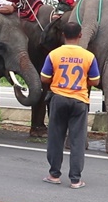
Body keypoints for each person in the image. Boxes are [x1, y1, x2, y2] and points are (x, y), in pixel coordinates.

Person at [40, 22, 100, 189]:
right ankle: (75, 179)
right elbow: (95, 80)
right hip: (79, 100)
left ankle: (54, 175)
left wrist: (56, 78)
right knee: (77, 140)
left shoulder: (54, 54)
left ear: (63, 35)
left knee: (55, 138)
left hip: (58, 98)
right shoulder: (89, 56)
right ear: (80, 35)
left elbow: (44, 77)